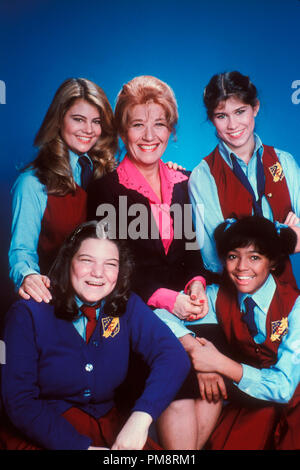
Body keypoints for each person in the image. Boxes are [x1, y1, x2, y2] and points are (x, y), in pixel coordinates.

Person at [87, 75, 218, 449]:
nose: (149, 135)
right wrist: (166, 298)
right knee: (178, 394)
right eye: (137, 123)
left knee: (215, 386)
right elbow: (111, 270)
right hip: (135, 316)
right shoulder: (105, 190)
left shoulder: (185, 182)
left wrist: (194, 283)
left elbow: (193, 255)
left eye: (159, 123)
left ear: (171, 129)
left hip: (188, 311)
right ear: (123, 131)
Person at [0, 221, 190, 450]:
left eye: (110, 264)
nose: (98, 273)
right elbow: (18, 401)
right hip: (45, 432)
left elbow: (174, 356)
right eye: (87, 260)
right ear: (68, 261)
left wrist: (141, 419)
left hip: (107, 427)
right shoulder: (27, 314)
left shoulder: (126, 305)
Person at [159, 216, 300, 450]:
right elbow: (159, 315)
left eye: (254, 257)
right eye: (233, 256)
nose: (242, 267)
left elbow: (284, 388)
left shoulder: (296, 306)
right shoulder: (216, 296)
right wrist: (193, 347)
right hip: (251, 402)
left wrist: (217, 363)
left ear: (273, 262)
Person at [8, 78, 118, 305]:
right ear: (59, 120)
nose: (88, 130)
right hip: (58, 303)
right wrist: (27, 276)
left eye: (96, 121)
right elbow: (22, 250)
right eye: (78, 119)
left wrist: (166, 171)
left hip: (108, 302)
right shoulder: (32, 183)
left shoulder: (109, 174)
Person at [189, 71, 300, 287]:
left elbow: (231, 247)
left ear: (255, 108)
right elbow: (214, 258)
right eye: (222, 116)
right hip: (233, 302)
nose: (232, 125)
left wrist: (239, 237)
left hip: (287, 294)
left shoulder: (284, 162)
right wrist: (283, 236)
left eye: (240, 111)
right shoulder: (202, 176)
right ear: (212, 119)